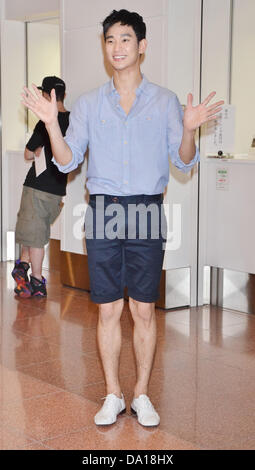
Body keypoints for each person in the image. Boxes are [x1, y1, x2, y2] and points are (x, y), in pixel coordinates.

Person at [21, 10, 224, 425]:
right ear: (105, 46)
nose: (117, 47)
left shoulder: (165, 101)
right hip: (103, 210)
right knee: (109, 308)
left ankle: (142, 394)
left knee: (144, 309)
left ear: (142, 46)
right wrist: (51, 125)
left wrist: (189, 130)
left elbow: (183, 163)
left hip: (148, 208)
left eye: (126, 39)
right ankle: (113, 394)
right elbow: (66, 160)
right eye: (110, 40)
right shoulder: (91, 104)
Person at [12, 76, 70, 298]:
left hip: (37, 187)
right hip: (57, 191)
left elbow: (28, 153)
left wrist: (36, 151)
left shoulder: (46, 121)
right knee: (38, 231)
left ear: (47, 95)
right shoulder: (73, 120)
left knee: (34, 236)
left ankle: (35, 279)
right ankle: (22, 268)